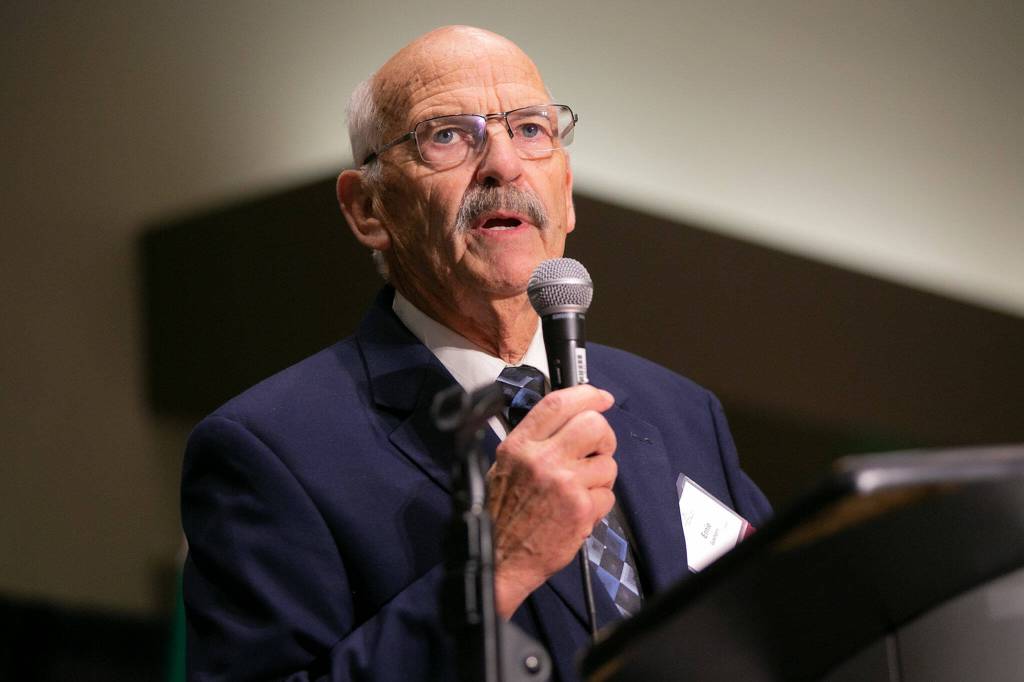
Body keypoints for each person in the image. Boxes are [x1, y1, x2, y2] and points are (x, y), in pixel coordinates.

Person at [181, 25, 771, 682]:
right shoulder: (268, 451)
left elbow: (792, 629)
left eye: (529, 130)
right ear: (368, 208)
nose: (503, 164)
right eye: (447, 136)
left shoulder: (683, 412)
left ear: (566, 190)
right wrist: (496, 567)